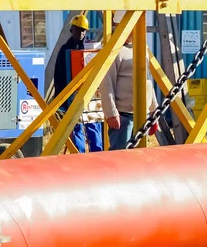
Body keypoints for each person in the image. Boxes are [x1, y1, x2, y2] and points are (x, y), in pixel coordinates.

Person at [100, 11, 159, 150]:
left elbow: (148, 80)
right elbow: (106, 84)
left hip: (141, 115)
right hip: (123, 117)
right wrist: (111, 113)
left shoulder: (141, 48)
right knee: (120, 156)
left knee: (138, 157)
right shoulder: (115, 51)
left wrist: (153, 109)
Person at [53, 15, 103, 153]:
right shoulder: (64, 50)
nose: (81, 33)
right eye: (78, 30)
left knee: (93, 125)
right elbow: (59, 76)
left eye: (83, 30)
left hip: (91, 95)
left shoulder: (91, 48)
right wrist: (62, 100)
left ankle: (97, 156)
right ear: (71, 30)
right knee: (75, 128)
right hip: (72, 96)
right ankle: (78, 156)